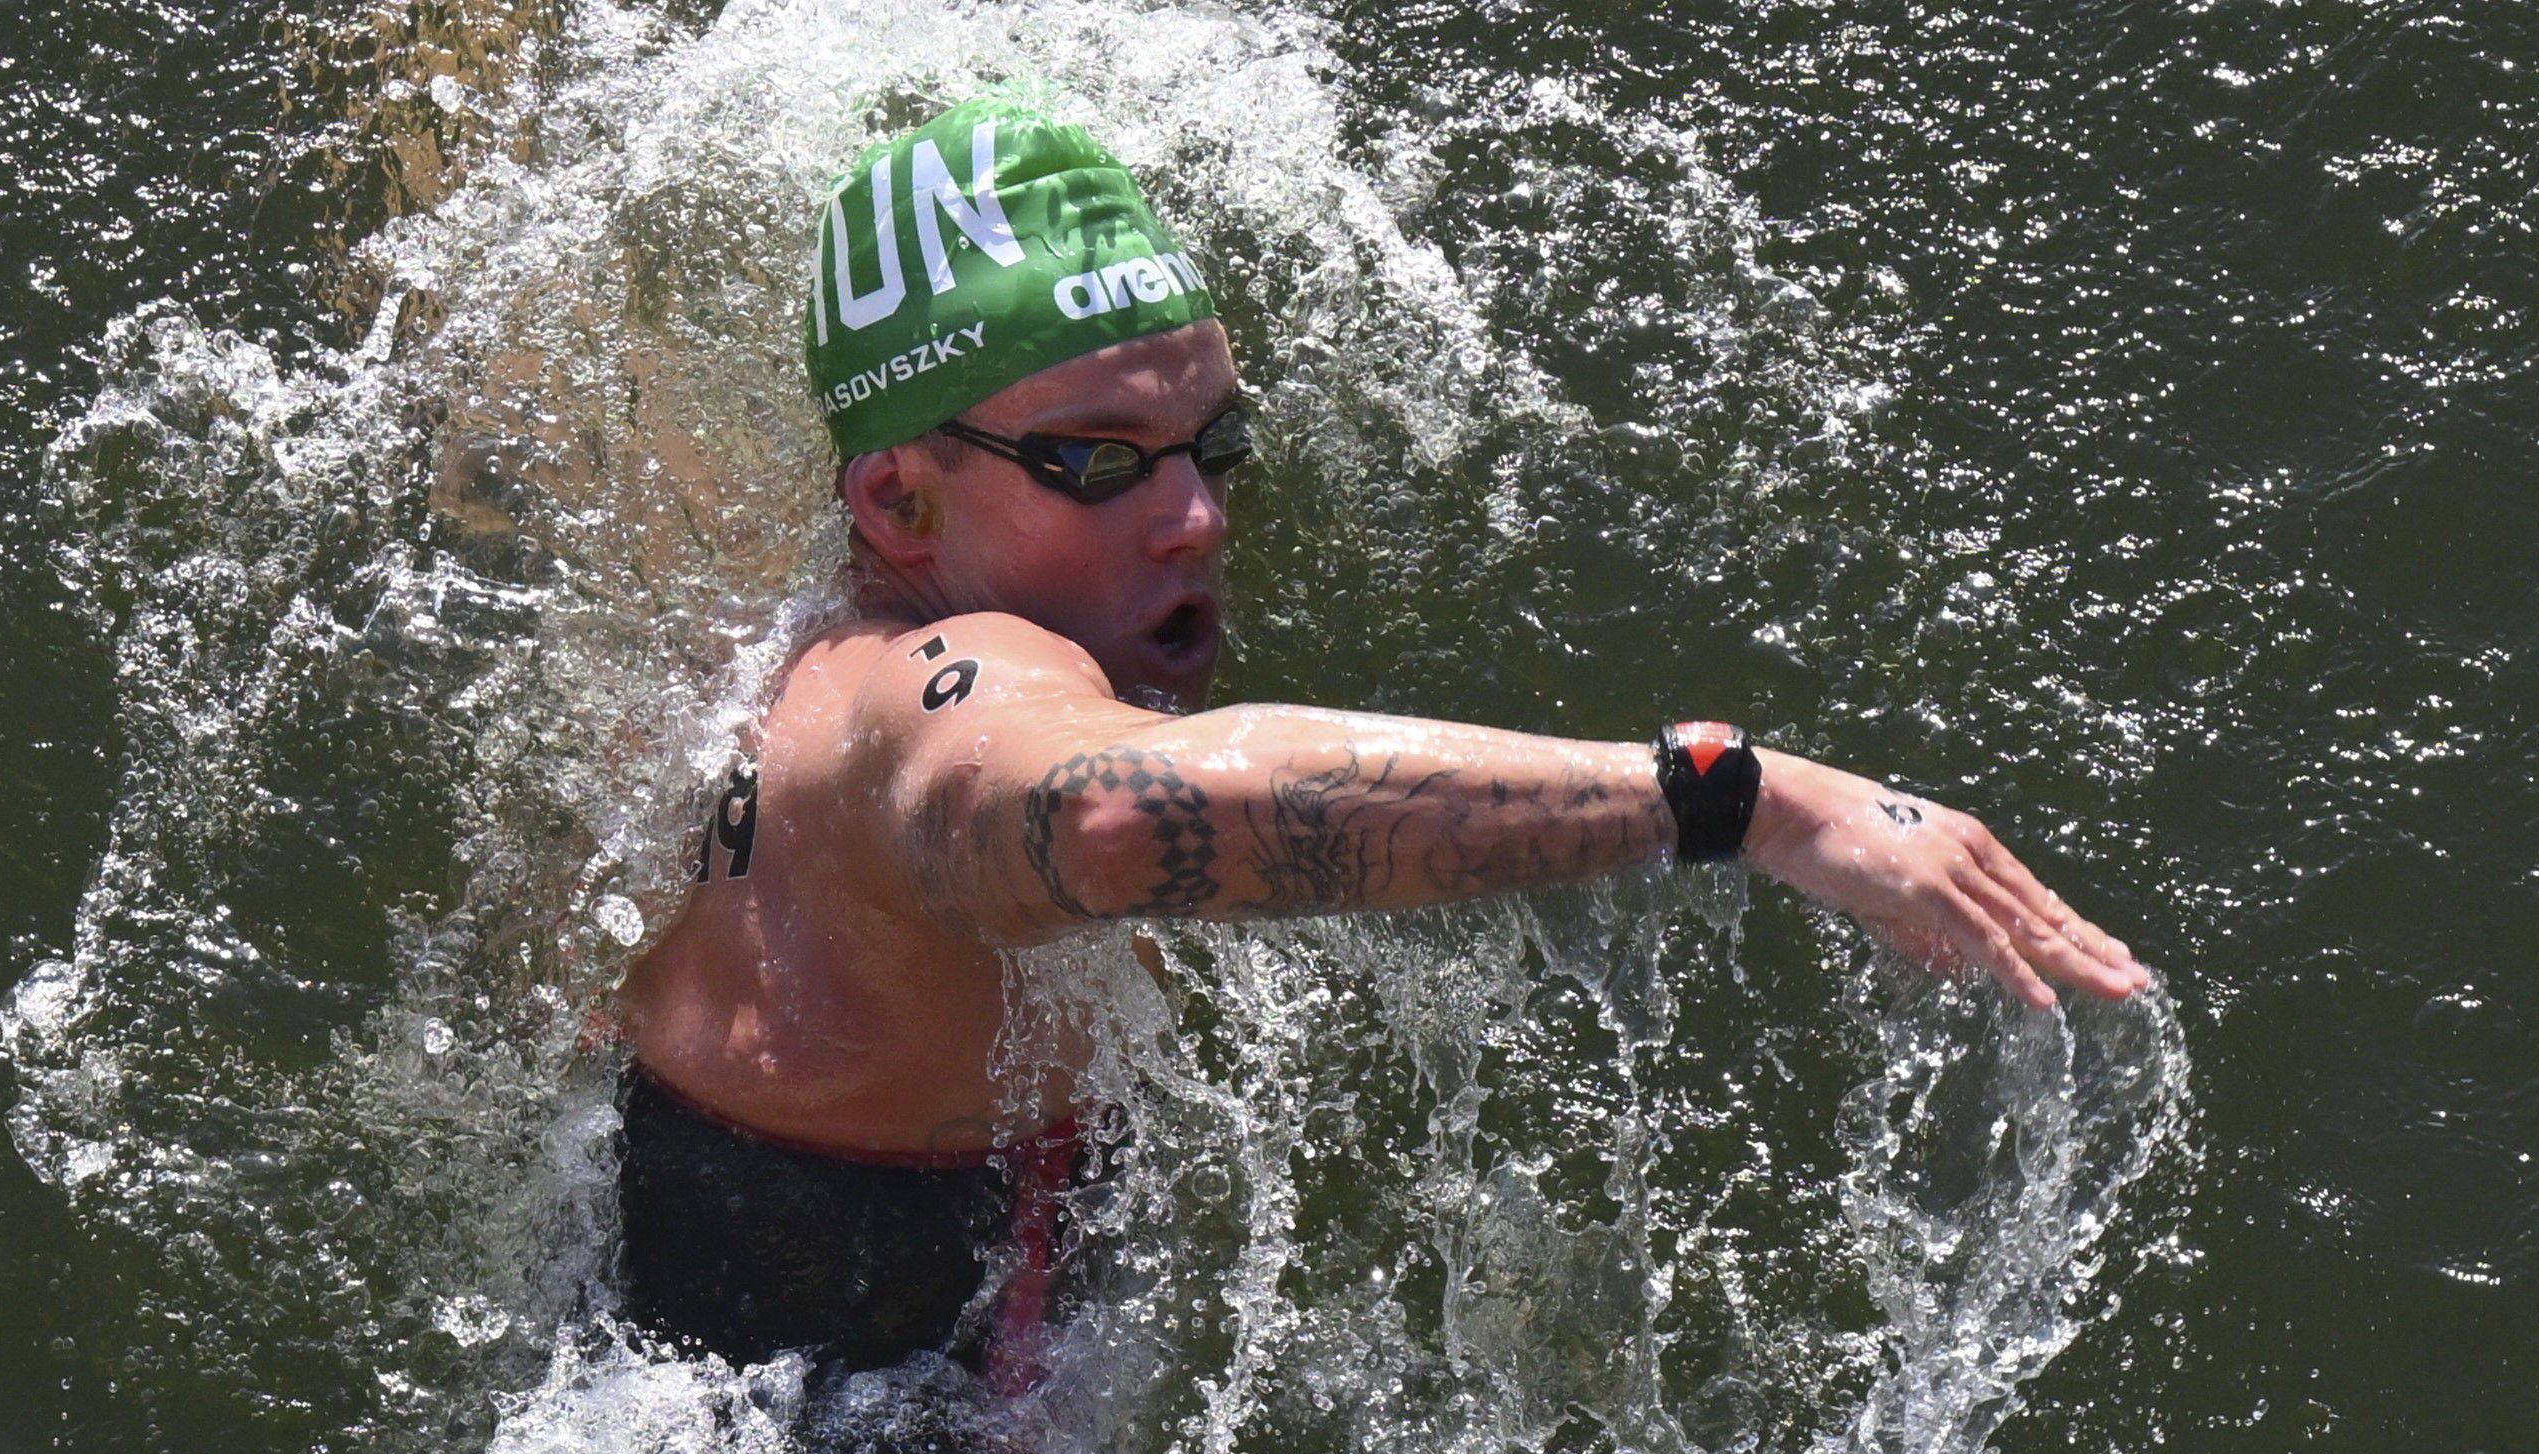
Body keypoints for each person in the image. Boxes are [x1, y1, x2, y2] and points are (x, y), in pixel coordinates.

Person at [610, 96, 2147, 1372]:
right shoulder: (939, 683)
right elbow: (1110, 821)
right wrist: (1728, 799)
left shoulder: (759, 672)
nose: (1195, 517)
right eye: (1099, 461)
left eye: (1214, 445)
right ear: (898, 499)